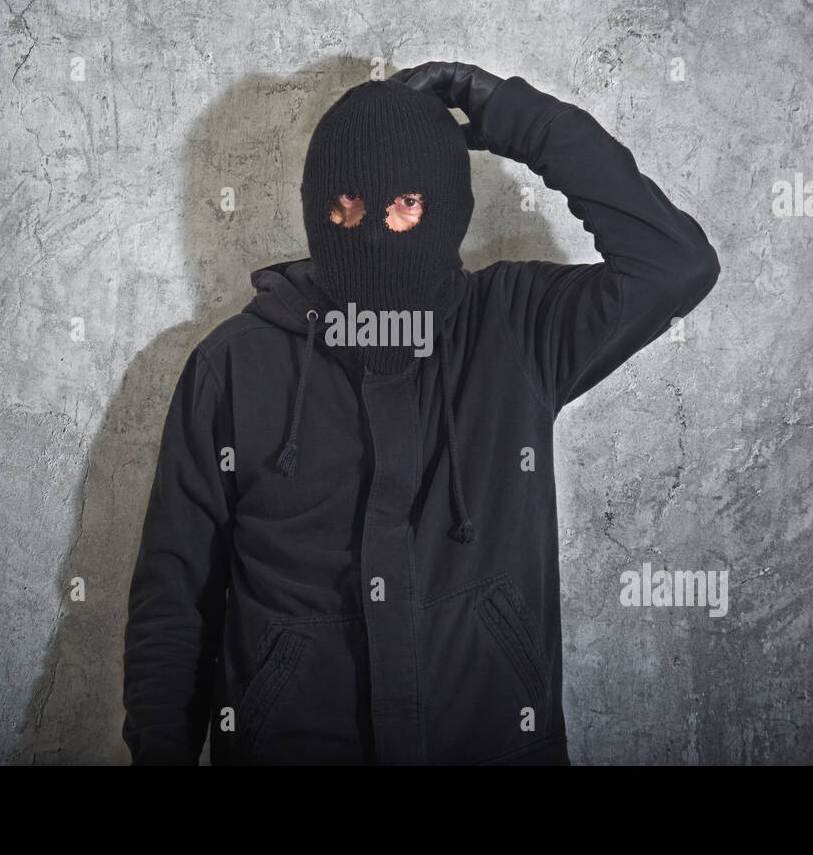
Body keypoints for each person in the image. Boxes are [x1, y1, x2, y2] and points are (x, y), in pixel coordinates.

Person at [121, 61, 721, 765]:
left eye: (406, 203)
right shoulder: (231, 367)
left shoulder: (517, 331)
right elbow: (174, 603)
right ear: (316, 207)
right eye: (347, 205)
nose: (374, 230)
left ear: (448, 208)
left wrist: (507, 112)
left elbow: (675, 264)